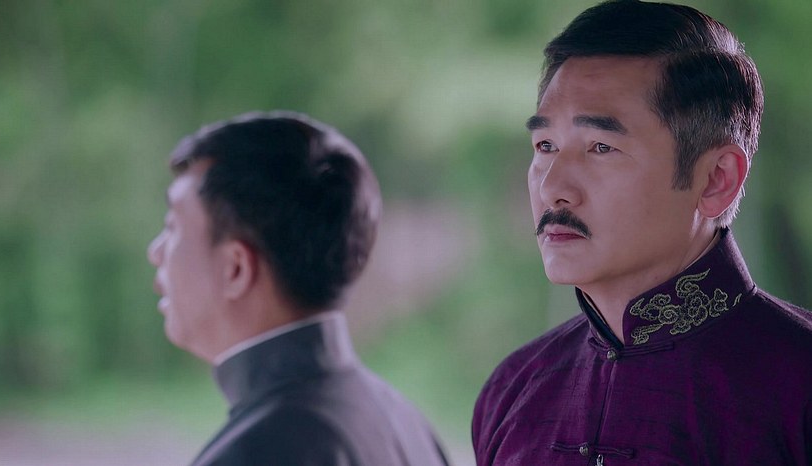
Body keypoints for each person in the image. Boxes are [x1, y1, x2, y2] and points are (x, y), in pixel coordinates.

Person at [472, 1, 812, 464]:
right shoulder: (512, 391)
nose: (552, 189)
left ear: (716, 179)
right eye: (545, 145)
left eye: (600, 147)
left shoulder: (798, 385)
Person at [147, 111, 450, 466]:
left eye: (173, 227)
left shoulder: (253, 453)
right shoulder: (407, 424)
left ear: (236, 268)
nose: (155, 252)